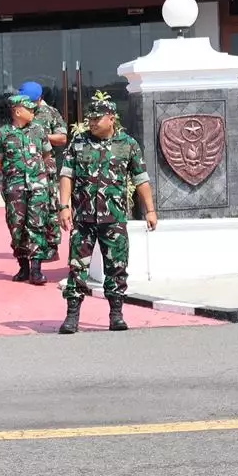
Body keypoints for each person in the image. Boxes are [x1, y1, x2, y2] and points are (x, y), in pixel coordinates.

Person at [57, 92, 157, 333]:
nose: (92, 122)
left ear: (111, 118)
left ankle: (116, 314)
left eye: (97, 118)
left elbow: (141, 179)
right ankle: (72, 316)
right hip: (83, 219)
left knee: (117, 267)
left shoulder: (128, 145)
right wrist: (64, 206)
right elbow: (66, 175)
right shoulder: (78, 143)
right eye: (90, 118)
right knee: (77, 267)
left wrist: (150, 210)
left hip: (114, 219)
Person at [0, 94, 52, 285]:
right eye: (29, 108)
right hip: (14, 187)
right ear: (17, 111)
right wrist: (14, 175)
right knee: (16, 226)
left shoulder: (39, 130)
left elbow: (47, 154)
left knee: (37, 224)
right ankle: (23, 266)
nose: (33, 111)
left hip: (38, 187)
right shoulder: (2, 134)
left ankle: (36, 270)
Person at [20, 81, 69, 257]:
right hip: (24, 168)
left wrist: (42, 136)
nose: (28, 104)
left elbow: (62, 138)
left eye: (32, 101)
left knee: (49, 205)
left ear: (39, 99)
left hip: (45, 167)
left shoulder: (50, 113)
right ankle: (31, 244)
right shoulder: (21, 111)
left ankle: (51, 245)